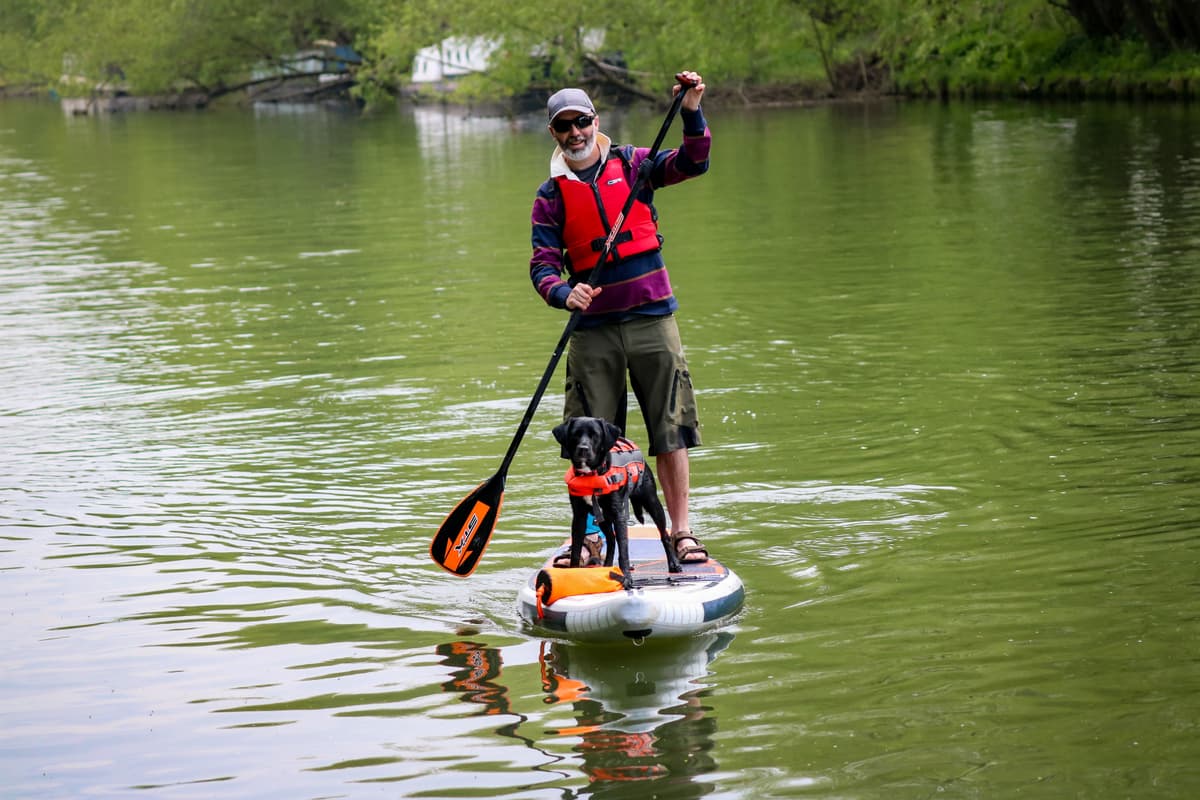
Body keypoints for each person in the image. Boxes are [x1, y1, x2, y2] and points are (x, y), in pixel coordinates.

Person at [529, 70, 710, 565]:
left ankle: (681, 532)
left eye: (581, 122)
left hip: (653, 317)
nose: (575, 133)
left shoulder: (632, 164)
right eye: (564, 126)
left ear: (595, 121)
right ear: (553, 133)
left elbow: (694, 162)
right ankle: (589, 537)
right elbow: (542, 265)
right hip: (592, 332)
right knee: (587, 438)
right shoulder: (550, 197)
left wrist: (691, 109)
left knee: (670, 429)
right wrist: (564, 293)